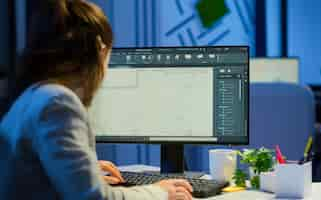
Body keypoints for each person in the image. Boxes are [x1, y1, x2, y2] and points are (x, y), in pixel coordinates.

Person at [0, 0, 193, 199]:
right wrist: (159, 192)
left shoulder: (32, 96)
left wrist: (86, 171)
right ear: (99, 48)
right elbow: (94, 198)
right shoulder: (57, 102)